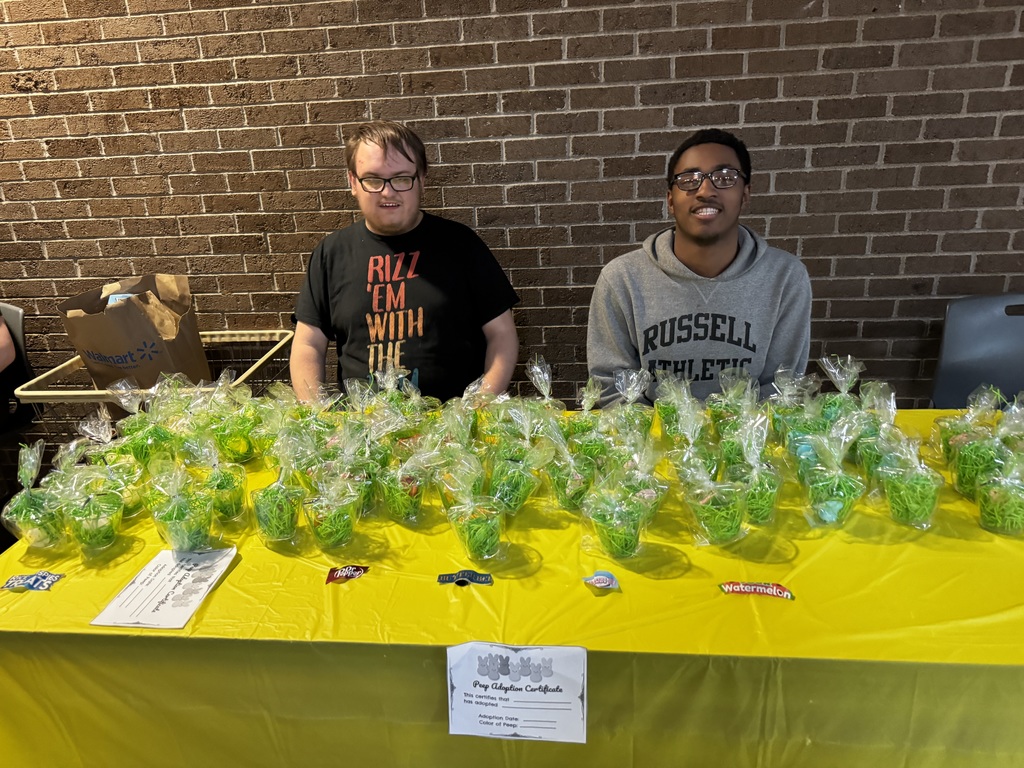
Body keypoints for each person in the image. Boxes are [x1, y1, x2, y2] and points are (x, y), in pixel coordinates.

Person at [291, 121, 520, 402]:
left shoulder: (461, 245)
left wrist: (477, 407)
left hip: (452, 434)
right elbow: (308, 343)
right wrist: (318, 414)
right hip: (363, 435)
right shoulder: (330, 253)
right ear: (353, 182)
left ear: (422, 178)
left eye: (401, 178)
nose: (388, 192)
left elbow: (502, 336)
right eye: (373, 179)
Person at [587, 128, 812, 406]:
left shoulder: (786, 278)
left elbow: (780, 389)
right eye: (689, 180)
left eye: (725, 178)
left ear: (745, 194)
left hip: (747, 445)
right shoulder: (621, 279)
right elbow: (612, 388)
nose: (706, 190)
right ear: (670, 199)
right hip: (651, 445)